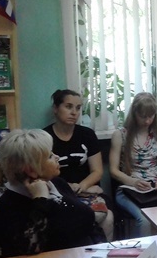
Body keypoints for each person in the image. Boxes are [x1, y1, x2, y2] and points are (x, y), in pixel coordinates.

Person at [0, 129, 106, 258]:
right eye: (50, 156)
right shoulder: (9, 205)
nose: (57, 157)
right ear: (31, 170)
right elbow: (31, 247)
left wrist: (103, 250)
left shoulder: (57, 183)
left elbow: (88, 221)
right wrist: (40, 199)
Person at [44, 89, 113, 241]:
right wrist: (69, 189)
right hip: (59, 193)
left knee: (108, 217)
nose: (74, 112)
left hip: (86, 190)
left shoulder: (87, 134)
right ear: (56, 108)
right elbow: (44, 175)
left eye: (78, 108)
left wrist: (81, 187)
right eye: (68, 107)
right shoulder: (45, 138)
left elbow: (97, 171)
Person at [109, 92, 157, 237]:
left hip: (156, 188)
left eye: (151, 116)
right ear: (135, 114)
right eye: (143, 116)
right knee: (144, 220)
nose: (147, 121)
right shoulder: (120, 135)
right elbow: (113, 171)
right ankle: (142, 251)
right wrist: (133, 182)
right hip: (130, 189)